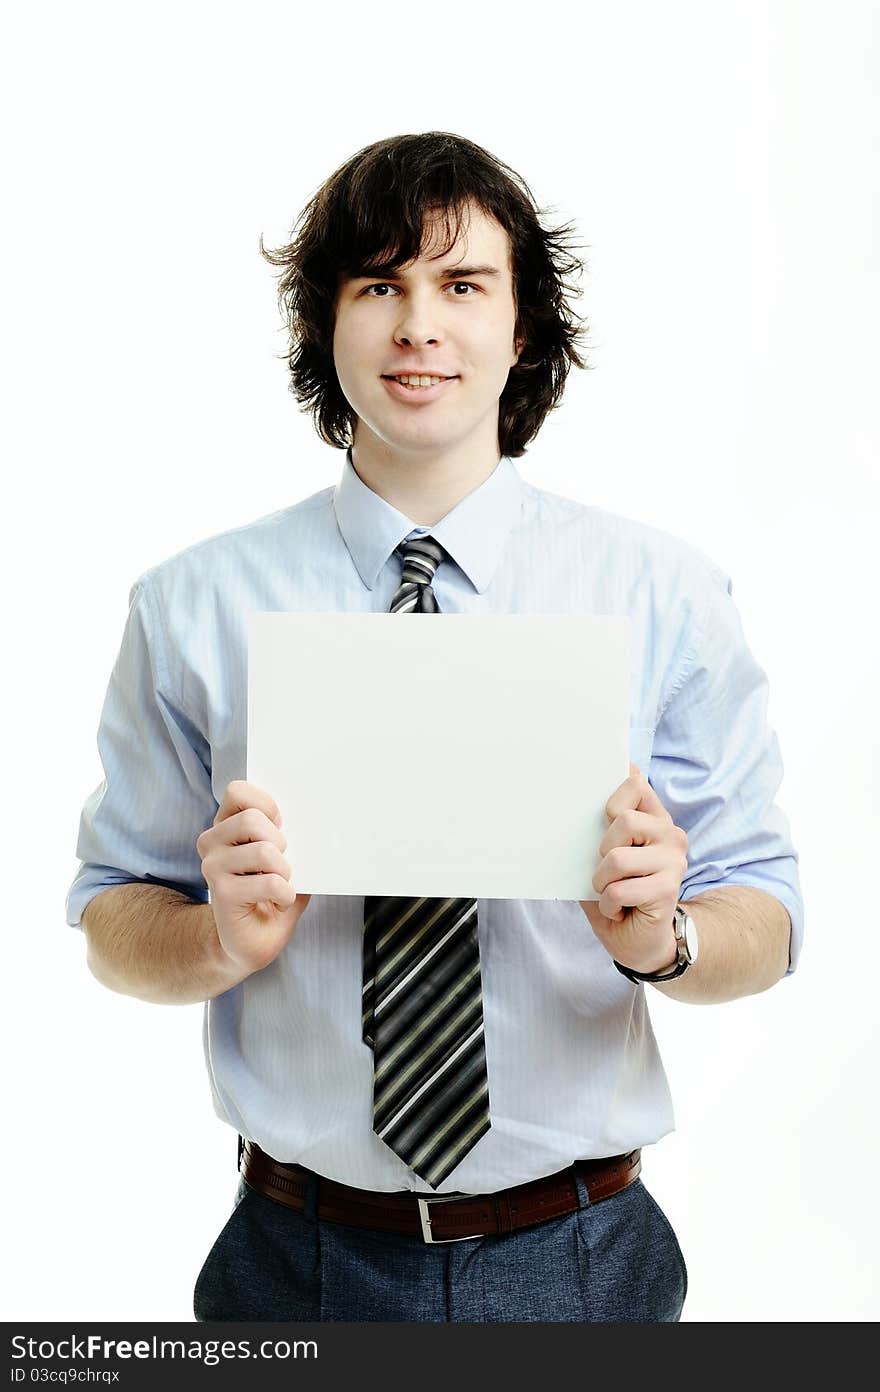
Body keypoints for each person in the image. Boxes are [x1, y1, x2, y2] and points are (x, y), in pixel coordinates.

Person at [66, 131, 803, 1324]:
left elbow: (765, 917)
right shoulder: (190, 605)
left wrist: (663, 938)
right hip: (290, 1261)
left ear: (519, 331)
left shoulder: (665, 595)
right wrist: (216, 942)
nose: (418, 325)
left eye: (461, 286)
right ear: (326, 327)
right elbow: (110, 913)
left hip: (583, 1253)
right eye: (377, 286)